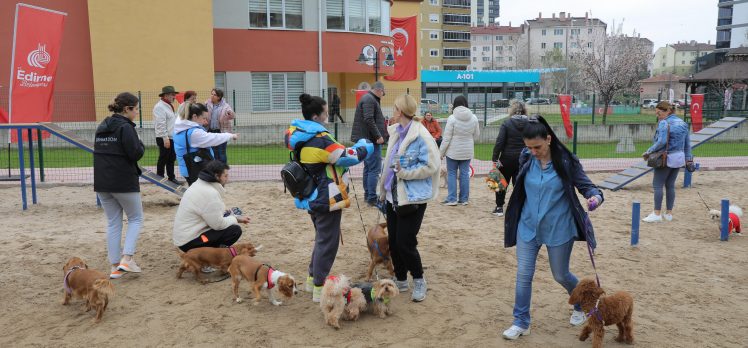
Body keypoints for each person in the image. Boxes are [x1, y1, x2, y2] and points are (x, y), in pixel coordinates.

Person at [501, 115, 604, 340]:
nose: (533, 151)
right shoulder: (526, 157)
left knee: (560, 274)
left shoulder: (566, 160)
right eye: (529, 147)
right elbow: (519, 185)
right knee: (523, 275)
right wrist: (497, 181)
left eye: (537, 146)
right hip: (527, 227)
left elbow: (588, 187)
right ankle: (521, 322)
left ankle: (580, 304)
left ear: (548, 139)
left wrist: (595, 198)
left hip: (559, 227)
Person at [286, 93, 373, 303]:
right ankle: (318, 287)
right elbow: (347, 156)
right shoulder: (320, 139)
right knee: (328, 242)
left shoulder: (298, 135)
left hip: (310, 194)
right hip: (326, 198)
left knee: (321, 239)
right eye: (325, 112)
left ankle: (311, 279)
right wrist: (365, 146)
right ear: (316, 116)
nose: (328, 115)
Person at [377, 94, 440, 302]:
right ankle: (401, 278)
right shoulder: (397, 132)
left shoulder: (421, 135)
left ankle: (419, 279)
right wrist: (382, 189)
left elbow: (431, 166)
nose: (392, 113)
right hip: (392, 196)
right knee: (393, 241)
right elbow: (389, 164)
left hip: (412, 198)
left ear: (401, 111)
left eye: (394, 108)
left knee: (405, 242)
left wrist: (405, 172)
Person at [94, 92, 146, 279]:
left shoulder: (102, 126)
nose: (137, 113)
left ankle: (115, 265)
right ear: (127, 109)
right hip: (123, 180)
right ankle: (127, 258)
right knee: (135, 218)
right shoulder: (125, 127)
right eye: (136, 109)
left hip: (102, 182)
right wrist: (140, 144)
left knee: (113, 222)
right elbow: (136, 153)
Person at [172, 160, 250, 252]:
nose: (227, 179)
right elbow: (218, 225)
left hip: (183, 238)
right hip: (189, 243)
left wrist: (227, 214)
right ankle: (210, 256)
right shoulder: (210, 193)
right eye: (225, 176)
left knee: (228, 224)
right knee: (234, 231)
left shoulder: (198, 184)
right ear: (217, 176)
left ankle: (211, 253)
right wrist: (236, 219)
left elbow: (208, 213)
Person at [641, 101, 693, 222]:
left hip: (665, 158)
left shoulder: (664, 123)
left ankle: (657, 214)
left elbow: (661, 142)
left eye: (659, 113)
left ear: (667, 111)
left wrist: (648, 152)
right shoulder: (683, 123)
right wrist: (688, 160)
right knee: (670, 185)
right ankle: (668, 214)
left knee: (657, 185)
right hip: (678, 158)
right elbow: (687, 145)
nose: (658, 116)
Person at [174, 103, 237, 185]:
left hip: (187, 168)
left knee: (195, 190)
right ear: (194, 117)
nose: (205, 121)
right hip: (195, 169)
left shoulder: (179, 127)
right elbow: (213, 138)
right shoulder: (194, 133)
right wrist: (230, 135)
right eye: (203, 118)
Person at [351, 81, 387, 206]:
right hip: (371, 140)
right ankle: (371, 197)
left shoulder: (368, 98)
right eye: (383, 93)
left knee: (368, 168)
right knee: (374, 169)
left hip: (366, 139)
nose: (383, 95)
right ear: (379, 90)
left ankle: (368, 195)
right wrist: (378, 136)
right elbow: (369, 118)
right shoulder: (370, 100)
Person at [439, 95, 480, 205]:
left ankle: (452, 199)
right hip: (467, 151)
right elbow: (477, 136)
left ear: (455, 104)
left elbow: (446, 138)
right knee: (464, 174)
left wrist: (441, 152)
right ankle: (464, 199)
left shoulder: (452, 118)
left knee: (451, 173)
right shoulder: (474, 118)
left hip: (453, 151)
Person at [491, 100, 529, 216]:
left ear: (512, 110)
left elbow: (500, 142)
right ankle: (519, 207)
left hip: (506, 158)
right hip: (523, 158)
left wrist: (495, 158)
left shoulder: (506, 123)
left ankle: (499, 207)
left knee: (500, 182)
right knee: (520, 183)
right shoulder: (530, 123)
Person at [153, 85, 180, 184]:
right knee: (163, 157)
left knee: (171, 158)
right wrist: (165, 138)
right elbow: (160, 124)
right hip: (164, 137)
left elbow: (171, 121)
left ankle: (171, 178)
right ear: (166, 95)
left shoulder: (168, 105)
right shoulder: (159, 107)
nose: (174, 97)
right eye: (173, 95)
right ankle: (159, 177)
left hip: (171, 136)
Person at [205, 88, 235, 164]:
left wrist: (230, 113)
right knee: (213, 152)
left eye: (214, 95)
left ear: (219, 97)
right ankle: (215, 170)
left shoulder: (225, 106)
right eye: (212, 94)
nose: (212, 96)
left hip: (222, 132)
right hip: (210, 131)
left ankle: (223, 171)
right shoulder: (207, 104)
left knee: (221, 153)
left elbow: (232, 116)